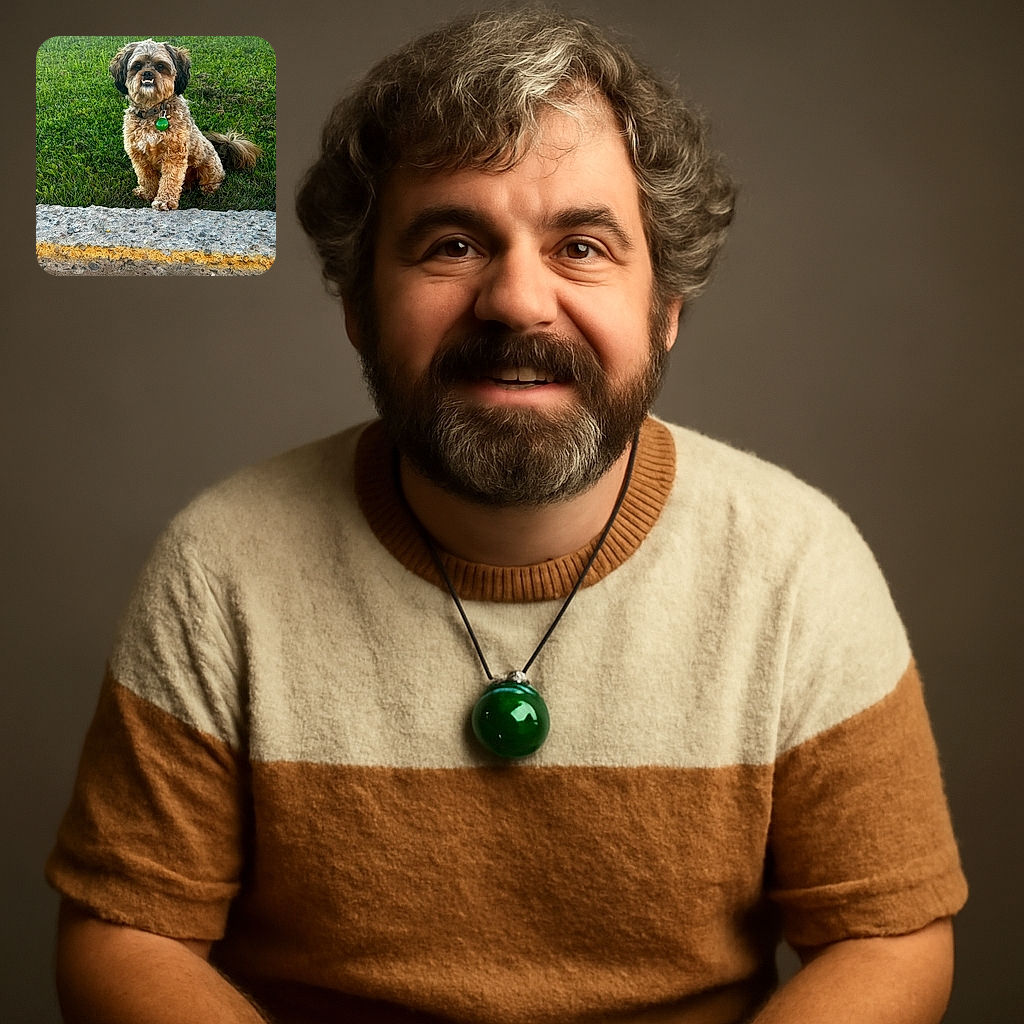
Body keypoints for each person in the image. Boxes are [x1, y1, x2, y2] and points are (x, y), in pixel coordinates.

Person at [48, 8, 967, 1023]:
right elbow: (122, 933)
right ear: (358, 304)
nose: (516, 301)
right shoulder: (219, 563)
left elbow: (887, 940)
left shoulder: (801, 565)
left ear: (666, 307)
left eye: (580, 245)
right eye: (451, 243)